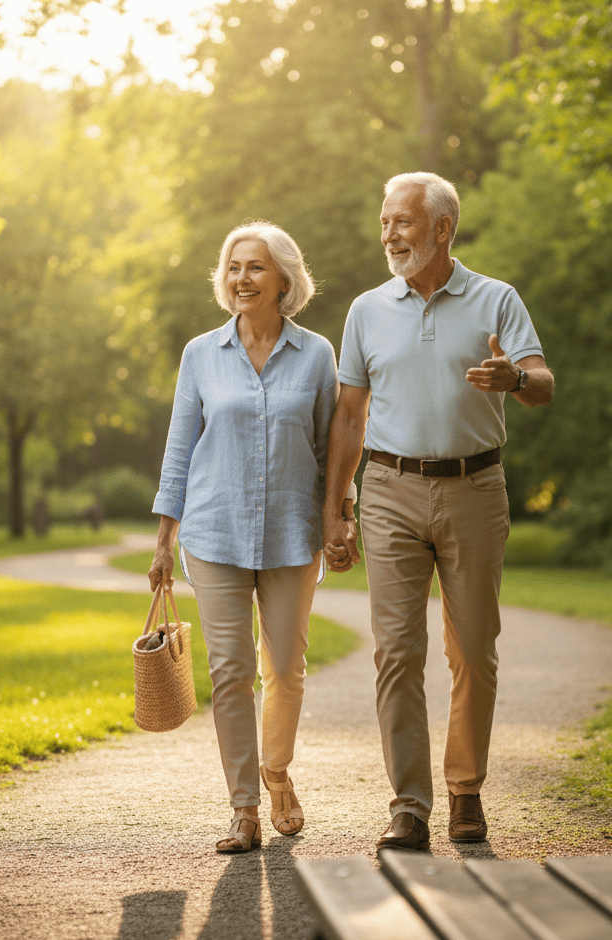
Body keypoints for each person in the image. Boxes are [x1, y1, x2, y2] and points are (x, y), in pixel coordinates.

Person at [322, 172, 554, 851]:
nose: (390, 233)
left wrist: (513, 378)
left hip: (475, 490)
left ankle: (465, 792)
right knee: (397, 651)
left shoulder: (495, 300)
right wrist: (337, 508)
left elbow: (542, 383)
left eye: (403, 222)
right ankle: (409, 806)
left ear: (442, 229)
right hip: (391, 489)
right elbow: (348, 414)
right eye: (386, 221)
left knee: (473, 651)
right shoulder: (367, 310)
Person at [149, 221, 356, 853]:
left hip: (293, 533)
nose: (242, 278)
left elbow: (332, 447)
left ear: (284, 279)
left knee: (286, 670)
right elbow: (180, 448)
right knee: (232, 670)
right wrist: (164, 541)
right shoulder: (200, 355)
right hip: (215, 531)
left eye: (256, 267)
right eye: (234, 267)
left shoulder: (317, 354)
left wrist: (338, 519)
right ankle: (243, 807)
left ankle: (277, 772)